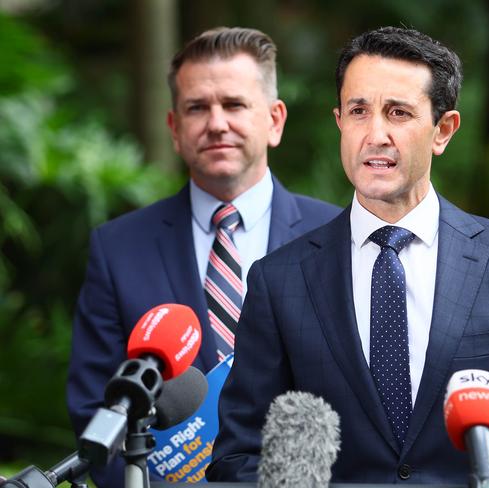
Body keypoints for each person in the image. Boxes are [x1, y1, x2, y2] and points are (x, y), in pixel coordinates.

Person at [207, 27, 489, 485]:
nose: (375, 134)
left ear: (443, 130)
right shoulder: (279, 281)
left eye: (398, 113)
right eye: (358, 111)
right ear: (339, 121)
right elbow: (239, 458)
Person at [66, 27, 341, 488]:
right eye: (197, 107)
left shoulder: (339, 238)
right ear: (174, 128)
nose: (216, 123)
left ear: (274, 121)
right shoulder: (117, 249)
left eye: (234, 104)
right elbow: (95, 412)